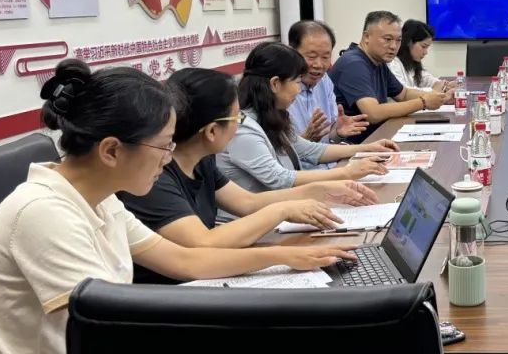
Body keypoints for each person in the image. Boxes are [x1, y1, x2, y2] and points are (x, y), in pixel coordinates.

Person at [0, 60, 353, 354]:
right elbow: (105, 337)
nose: (169, 159)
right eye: (163, 146)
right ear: (111, 151)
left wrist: (288, 258)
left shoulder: (99, 198)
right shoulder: (43, 214)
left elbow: (184, 261)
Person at [119, 68, 380, 283]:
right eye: (237, 118)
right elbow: (202, 244)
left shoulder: (201, 160)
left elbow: (247, 202)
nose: (240, 125)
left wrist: (321, 190)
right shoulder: (153, 177)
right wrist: (282, 214)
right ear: (211, 131)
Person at [217, 42, 398, 216]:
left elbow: (311, 150)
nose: (299, 90)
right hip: (252, 222)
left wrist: (367, 148)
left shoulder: (271, 116)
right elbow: (279, 179)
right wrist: (347, 172)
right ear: (275, 84)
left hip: (278, 213)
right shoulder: (242, 129)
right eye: (297, 82)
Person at [330, 10, 453, 141]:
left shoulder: (378, 61)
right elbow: (373, 113)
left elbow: (403, 94)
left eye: (398, 40)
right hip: (355, 145)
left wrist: (440, 97)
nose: (394, 46)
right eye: (387, 39)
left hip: (376, 137)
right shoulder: (354, 64)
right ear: (366, 37)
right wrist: (423, 102)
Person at [287, 20, 369, 143]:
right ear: (291, 52)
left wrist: (338, 133)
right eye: (311, 56)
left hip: (327, 154)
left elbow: (329, 138)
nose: (319, 65)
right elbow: (277, 152)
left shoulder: (324, 80)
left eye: (325, 57)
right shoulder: (279, 89)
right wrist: (306, 139)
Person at [388, 19, 451, 92]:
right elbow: (403, 92)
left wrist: (444, 85)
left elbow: (426, 78)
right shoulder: (393, 64)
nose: (426, 52)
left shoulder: (411, 63)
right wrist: (433, 90)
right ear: (409, 42)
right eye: (423, 46)